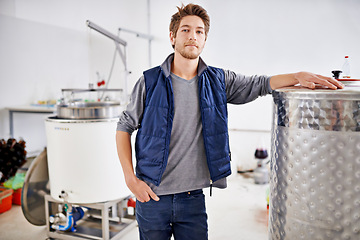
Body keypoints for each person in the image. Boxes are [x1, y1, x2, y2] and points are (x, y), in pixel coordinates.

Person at [116, 3, 344, 240]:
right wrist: (130, 180)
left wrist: (296, 76)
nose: (192, 36)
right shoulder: (149, 81)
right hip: (152, 197)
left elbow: (259, 84)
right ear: (173, 36)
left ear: (204, 40)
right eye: (185, 30)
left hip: (193, 199)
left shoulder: (218, 81)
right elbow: (124, 126)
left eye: (199, 31)